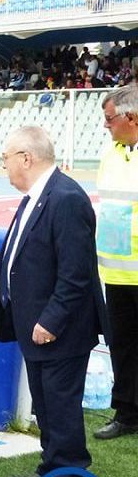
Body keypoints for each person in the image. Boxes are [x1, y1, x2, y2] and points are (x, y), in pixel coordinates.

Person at [0, 126, 106, 477]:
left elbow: (76, 273)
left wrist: (51, 320)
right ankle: (51, 470)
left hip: (59, 330)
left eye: (6, 158)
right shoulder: (38, 197)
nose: (4, 165)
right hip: (35, 327)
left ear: (26, 158)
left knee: (61, 407)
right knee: (46, 406)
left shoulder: (66, 198)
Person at [94, 85, 138, 439]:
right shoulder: (111, 154)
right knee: (121, 346)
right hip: (117, 273)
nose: (106, 125)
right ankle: (127, 413)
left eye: (110, 119)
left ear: (131, 117)